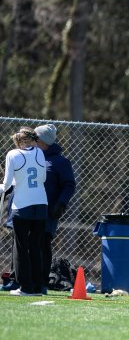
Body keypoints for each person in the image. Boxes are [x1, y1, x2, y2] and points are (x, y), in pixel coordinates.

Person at [2, 127, 47, 296]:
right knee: (35, 247)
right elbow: (42, 178)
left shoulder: (12, 155)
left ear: (19, 142)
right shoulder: (39, 153)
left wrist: (7, 185)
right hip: (41, 204)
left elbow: (7, 184)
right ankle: (37, 286)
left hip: (22, 206)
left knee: (21, 248)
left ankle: (25, 287)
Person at [34, 124, 76, 294]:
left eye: (36, 138)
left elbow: (69, 184)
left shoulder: (60, 161)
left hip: (48, 211)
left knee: (43, 244)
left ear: (43, 141)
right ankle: (25, 280)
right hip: (30, 209)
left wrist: (61, 203)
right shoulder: (32, 157)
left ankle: (42, 282)